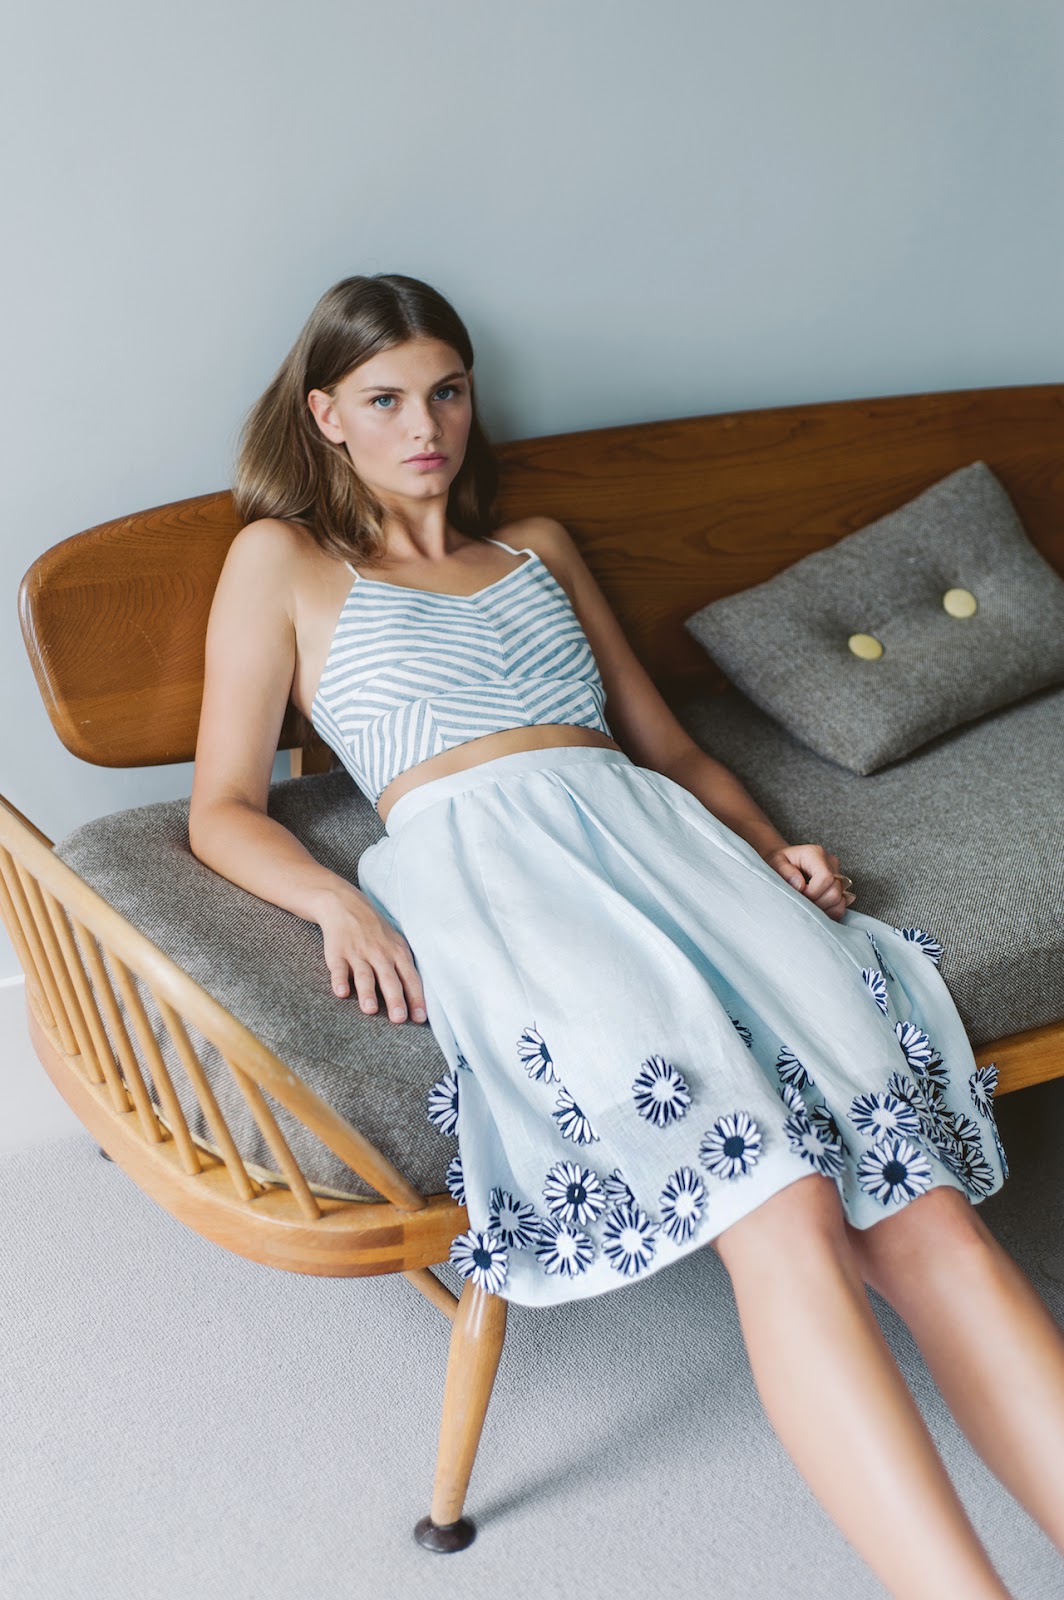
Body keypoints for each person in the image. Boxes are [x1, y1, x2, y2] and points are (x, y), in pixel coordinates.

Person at [189, 272, 1064, 1598]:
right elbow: (222, 808)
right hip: (499, 883)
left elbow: (666, 748)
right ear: (325, 415)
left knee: (922, 1207)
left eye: (446, 392)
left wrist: (769, 842)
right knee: (781, 1204)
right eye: (385, 400)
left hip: (672, 851)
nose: (425, 427)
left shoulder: (538, 546)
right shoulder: (286, 561)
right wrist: (337, 899)